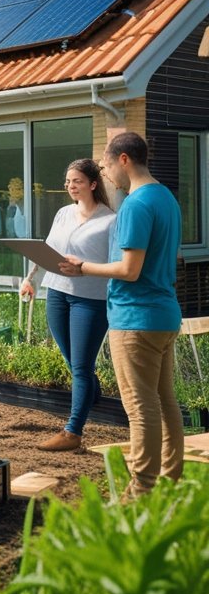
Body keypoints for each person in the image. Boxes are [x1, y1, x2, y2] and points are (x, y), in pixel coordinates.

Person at [58, 132, 182, 498]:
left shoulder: (136, 204)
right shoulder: (166, 198)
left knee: (140, 408)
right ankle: (170, 479)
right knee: (165, 402)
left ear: (124, 160)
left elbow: (130, 269)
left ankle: (139, 492)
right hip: (163, 314)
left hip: (135, 318)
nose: (107, 175)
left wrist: (83, 268)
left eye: (107, 165)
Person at [19, 159, 115, 452]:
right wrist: (30, 278)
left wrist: (85, 268)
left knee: (82, 366)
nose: (71, 186)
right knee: (74, 363)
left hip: (91, 298)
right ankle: (90, 393)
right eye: (68, 182)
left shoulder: (111, 220)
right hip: (57, 293)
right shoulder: (63, 213)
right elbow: (48, 250)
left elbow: (117, 263)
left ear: (93, 184)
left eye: (77, 181)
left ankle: (73, 432)